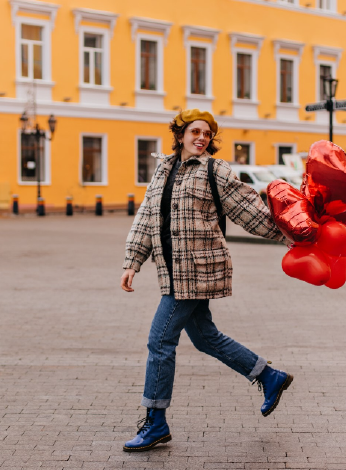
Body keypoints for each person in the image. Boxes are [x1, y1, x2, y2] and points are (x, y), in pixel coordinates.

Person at [120, 109, 293, 452]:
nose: (201, 138)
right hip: (172, 271)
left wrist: (288, 234)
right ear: (180, 134)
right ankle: (268, 376)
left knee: (159, 341)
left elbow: (249, 209)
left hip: (198, 270)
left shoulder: (215, 171)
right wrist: (132, 261)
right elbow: (146, 216)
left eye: (207, 134)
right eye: (195, 131)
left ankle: (156, 421)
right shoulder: (163, 170)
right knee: (204, 338)